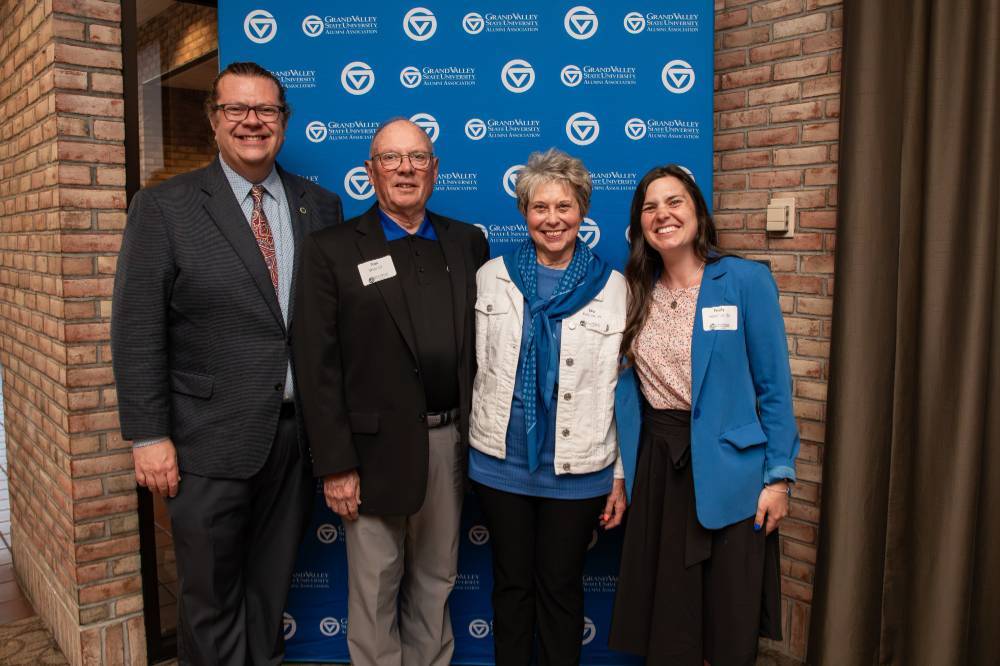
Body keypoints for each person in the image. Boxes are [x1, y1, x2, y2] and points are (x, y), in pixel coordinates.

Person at [111, 61, 344, 664]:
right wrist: (148, 435)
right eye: (236, 109)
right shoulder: (164, 208)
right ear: (213, 121)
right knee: (209, 599)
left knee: (271, 592)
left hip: (295, 441)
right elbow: (137, 329)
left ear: (283, 123)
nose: (252, 122)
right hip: (205, 442)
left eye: (265, 110)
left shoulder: (319, 207)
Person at [293, 118, 490, 666]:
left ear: (435, 170)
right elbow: (317, 365)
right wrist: (335, 464)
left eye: (418, 158)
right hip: (369, 453)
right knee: (375, 587)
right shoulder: (330, 250)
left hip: (449, 443)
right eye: (391, 158)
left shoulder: (467, 242)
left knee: (437, 579)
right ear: (370, 171)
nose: (406, 169)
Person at [608, 165, 797, 665]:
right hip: (659, 468)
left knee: (726, 624)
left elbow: (774, 389)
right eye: (650, 207)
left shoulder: (744, 280)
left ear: (697, 213)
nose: (662, 215)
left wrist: (778, 478)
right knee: (669, 625)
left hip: (731, 474)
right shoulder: (633, 289)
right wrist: (622, 474)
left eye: (674, 202)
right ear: (639, 224)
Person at [468, 148, 628, 665]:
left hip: (579, 468)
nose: (552, 219)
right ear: (524, 213)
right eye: (540, 207)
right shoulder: (491, 275)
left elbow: (621, 392)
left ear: (582, 211)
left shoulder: (614, 287)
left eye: (564, 206)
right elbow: (474, 368)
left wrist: (620, 475)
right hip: (500, 463)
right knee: (511, 587)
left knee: (560, 589)